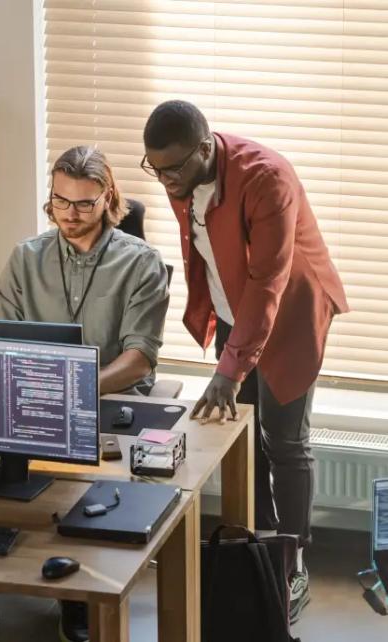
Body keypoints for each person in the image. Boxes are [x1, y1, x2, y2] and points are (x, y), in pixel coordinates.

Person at [141, 100, 349, 623]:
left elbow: (268, 280)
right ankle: (256, 547)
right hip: (239, 310)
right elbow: (206, 249)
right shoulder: (181, 174)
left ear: (205, 149)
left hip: (291, 313)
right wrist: (227, 349)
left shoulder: (268, 178)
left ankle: (293, 559)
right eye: (155, 168)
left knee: (284, 440)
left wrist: (230, 369)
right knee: (240, 439)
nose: (165, 181)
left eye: (173, 169)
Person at [0, 145, 169, 642]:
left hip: (110, 405)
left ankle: (80, 593)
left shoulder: (141, 264)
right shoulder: (25, 258)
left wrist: (75, 389)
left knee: (81, 483)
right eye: (60, 202)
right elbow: (2, 338)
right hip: (36, 401)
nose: (70, 215)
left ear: (109, 198)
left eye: (85, 204)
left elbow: (139, 356)